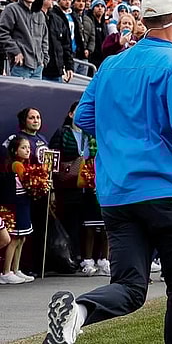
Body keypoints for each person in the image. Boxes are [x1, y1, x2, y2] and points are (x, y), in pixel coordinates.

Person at [43, 0, 172, 344]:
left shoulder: (110, 65)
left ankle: (78, 312)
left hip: (118, 192)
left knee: (129, 287)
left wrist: (124, 131)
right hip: (170, 192)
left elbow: (85, 117)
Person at [48, 102, 108, 277]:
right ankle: (70, 259)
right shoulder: (62, 132)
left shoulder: (91, 135)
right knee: (71, 224)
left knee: (91, 225)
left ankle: (91, 259)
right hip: (68, 186)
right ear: (71, 114)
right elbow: (53, 158)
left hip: (88, 187)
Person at [0, 137, 39, 284]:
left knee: (22, 238)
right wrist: (39, 182)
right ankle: (6, 271)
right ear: (14, 150)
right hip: (16, 204)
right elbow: (28, 182)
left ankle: (16, 269)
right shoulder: (17, 165)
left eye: (28, 147)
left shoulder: (24, 164)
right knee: (15, 238)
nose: (27, 150)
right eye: (23, 147)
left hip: (24, 203)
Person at [0, 0, 48, 79]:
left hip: (38, 66)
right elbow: (2, 32)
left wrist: (44, 59)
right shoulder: (11, 9)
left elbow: (44, 38)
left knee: (36, 95)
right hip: (20, 65)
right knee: (18, 95)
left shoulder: (40, 14)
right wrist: (15, 51)